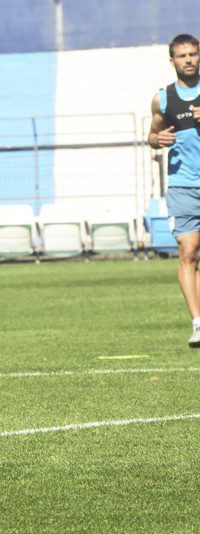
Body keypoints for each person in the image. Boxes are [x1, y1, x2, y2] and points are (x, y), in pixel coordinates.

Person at [149, 34, 200, 347]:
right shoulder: (163, 98)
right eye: (183, 56)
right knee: (188, 251)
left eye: (193, 54)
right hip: (182, 184)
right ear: (173, 61)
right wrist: (156, 141)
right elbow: (152, 135)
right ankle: (198, 322)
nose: (189, 60)